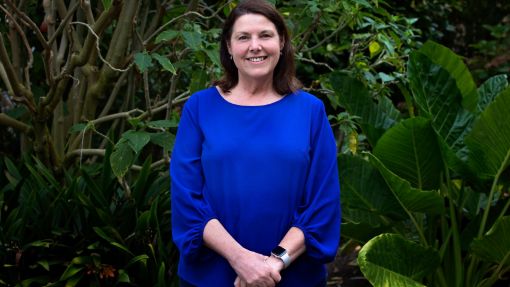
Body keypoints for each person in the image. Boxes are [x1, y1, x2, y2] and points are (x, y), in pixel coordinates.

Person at [170, 0, 341, 286]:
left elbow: (322, 203)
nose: (255, 46)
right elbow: (187, 198)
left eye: (265, 35)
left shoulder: (310, 111)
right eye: (243, 37)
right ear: (228, 46)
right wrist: (241, 260)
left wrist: (272, 264)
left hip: (292, 277)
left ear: (282, 42)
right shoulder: (199, 107)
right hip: (212, 276)